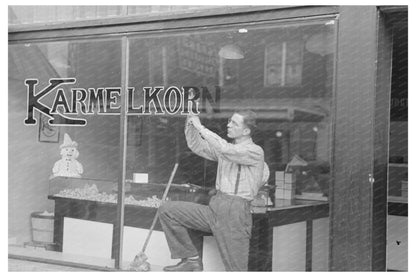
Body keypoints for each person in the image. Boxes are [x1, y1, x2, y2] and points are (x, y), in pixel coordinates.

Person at [159, 110, 265, 271]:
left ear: (246, 131)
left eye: (234, 123)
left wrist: (200, 127)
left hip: (235, 213)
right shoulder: (226, 149)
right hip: (216, 207)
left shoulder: (254, 151)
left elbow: (227, 151)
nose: (228, 124)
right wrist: (190, 123)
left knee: (236, 270)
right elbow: (197, 146)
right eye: (229, 121)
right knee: (167, 210)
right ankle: (191, 259)